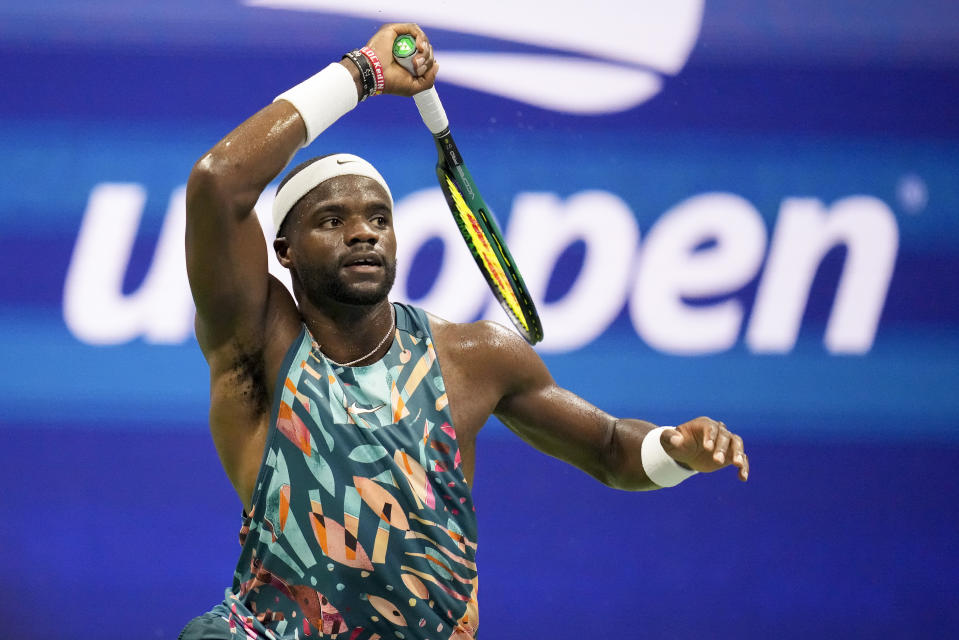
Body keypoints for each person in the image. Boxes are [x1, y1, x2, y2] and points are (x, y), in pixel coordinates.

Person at [179, 22, 749, 640]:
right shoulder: (257, 341)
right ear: (284, 251)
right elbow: (219, 181)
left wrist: (676, 449)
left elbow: (612, 449)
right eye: (332, 220)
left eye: (378, 217)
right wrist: (364, 72)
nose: (364, 232)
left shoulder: (475, 358)